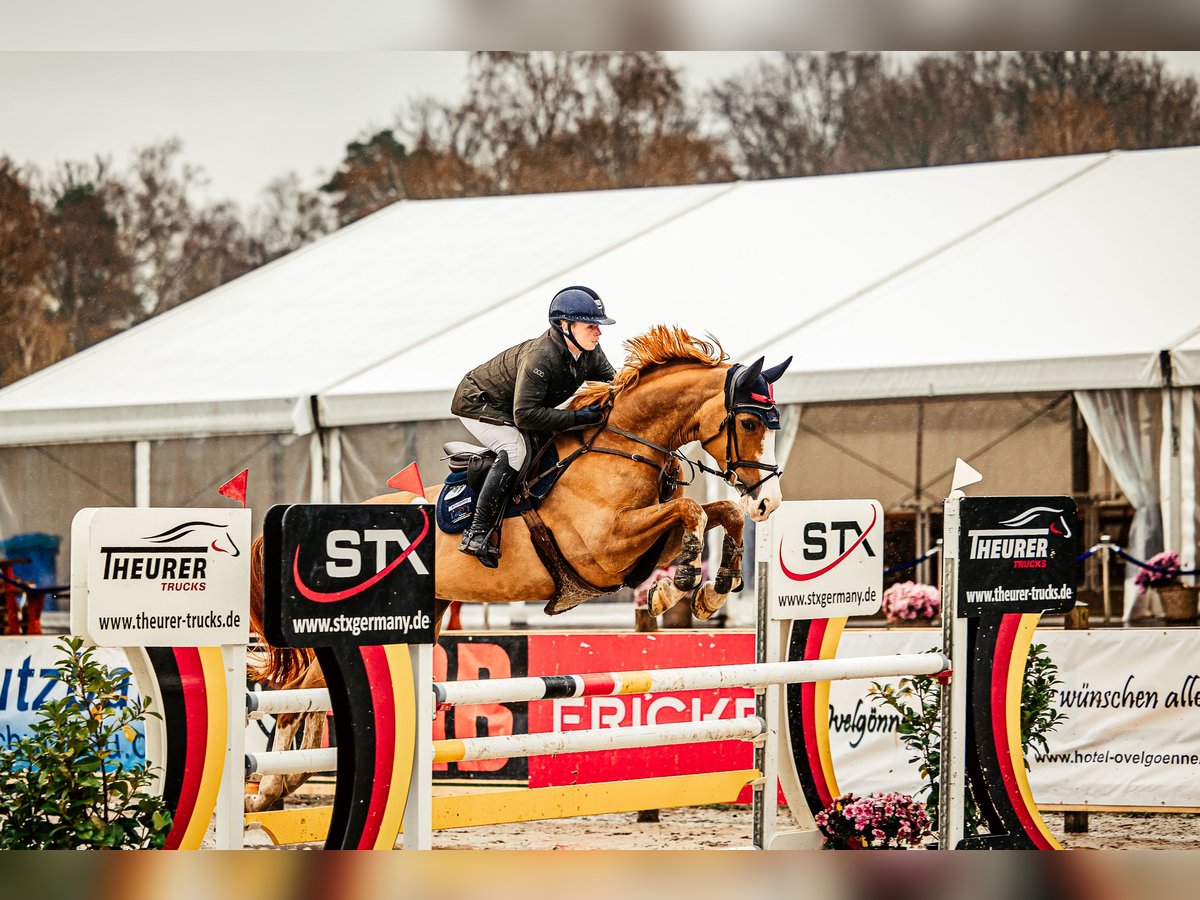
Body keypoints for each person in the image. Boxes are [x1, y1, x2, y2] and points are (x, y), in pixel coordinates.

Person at [450, 285, 617, 567]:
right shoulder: (542, 356)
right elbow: (525, 415)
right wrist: (577, 418)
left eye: (598, 326)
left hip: (515, 406)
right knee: (516, 450)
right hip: (478, 403)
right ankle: (477, 532)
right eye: (591, 326)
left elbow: (615, 387)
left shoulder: (591, 352)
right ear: (565, 325)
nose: (598, 332)